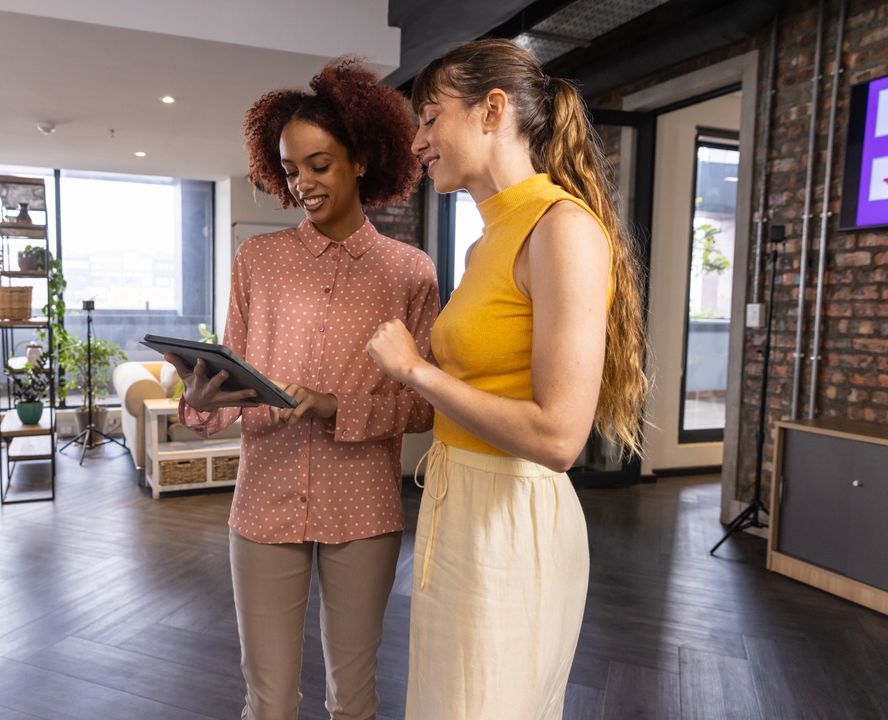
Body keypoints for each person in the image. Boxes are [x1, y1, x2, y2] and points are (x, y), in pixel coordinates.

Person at [365, 39, 648, 719]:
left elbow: (558, 437)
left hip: (509, 523)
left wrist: (414, 371)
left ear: (492, 110)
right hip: (458, 504)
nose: (418, 142)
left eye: (429, 118)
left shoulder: (561, 229)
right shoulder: (486, 238)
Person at [164, 57, 439, 720]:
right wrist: (201, 403)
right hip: (263, 503)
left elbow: (425, 404)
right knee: (267, 702)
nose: (304, 184)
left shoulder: (411, 274)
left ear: (363, 159)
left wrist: (331, 406)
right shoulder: (255, 262)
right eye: (290, 170)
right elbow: (224, 387)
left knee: (353, 698)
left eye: (319, 164)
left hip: (365, 510)